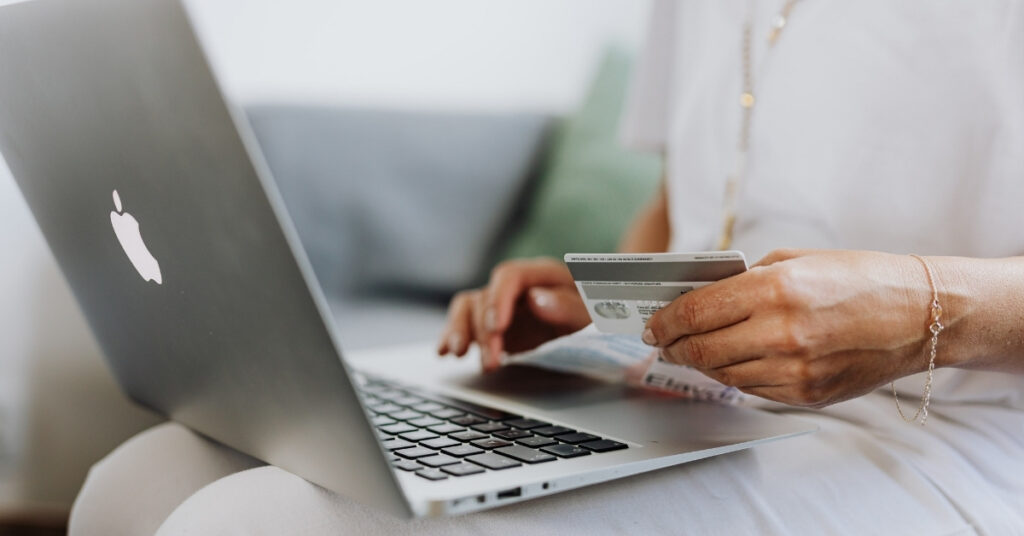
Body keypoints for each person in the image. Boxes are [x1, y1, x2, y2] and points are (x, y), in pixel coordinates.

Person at [70, 1, 1024, 534]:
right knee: (136, 486)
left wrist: (922, 310)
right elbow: (681, 200)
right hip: (686, 397)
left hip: (942, 436)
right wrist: (611, 300)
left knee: (246, 528)